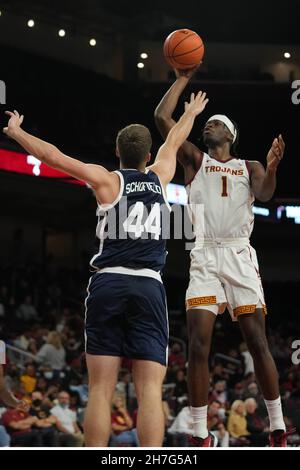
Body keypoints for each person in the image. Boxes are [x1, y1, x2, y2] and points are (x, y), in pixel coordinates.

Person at [2, 91, 209, 447]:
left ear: (117, 153)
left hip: (108, 284)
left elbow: (53, 156)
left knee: (100, 388)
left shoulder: (106, 180)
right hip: (148, 287)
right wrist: (189, 112)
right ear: (147, 155)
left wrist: (17, 132)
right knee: (148, 390)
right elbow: (173, 141)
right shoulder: (161, 175)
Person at [155, 66, 287, 447]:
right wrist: (182, 78)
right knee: (198, 344)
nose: (207, 126)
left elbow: (264, 194)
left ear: (230, 135)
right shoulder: (195, 160)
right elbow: (162, 118)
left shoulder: (251, 166)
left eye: (215, 124)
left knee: (257, 341)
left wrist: (274, 167)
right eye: (207, 123)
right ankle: (200, 432)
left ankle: (277, 426)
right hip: (205, 255)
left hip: (240, 256)